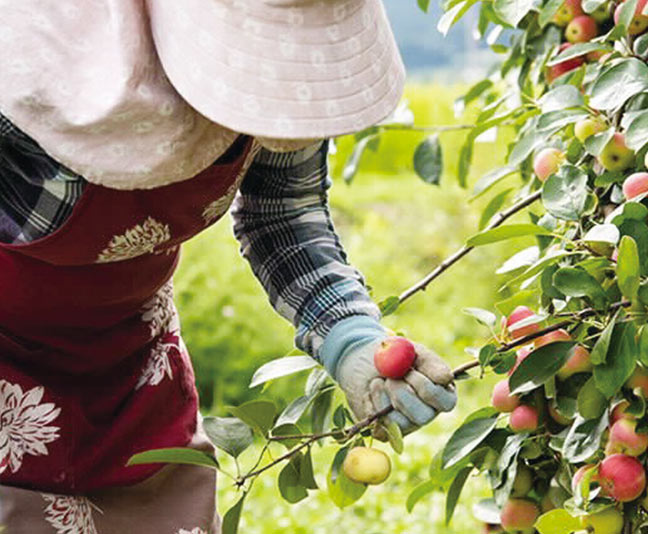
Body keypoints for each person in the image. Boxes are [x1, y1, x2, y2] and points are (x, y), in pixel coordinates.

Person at [0, 1, 457, 532]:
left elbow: (282, 212)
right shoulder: (26, 62)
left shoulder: (287, 83)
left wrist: (349, 335)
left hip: (132, 376)